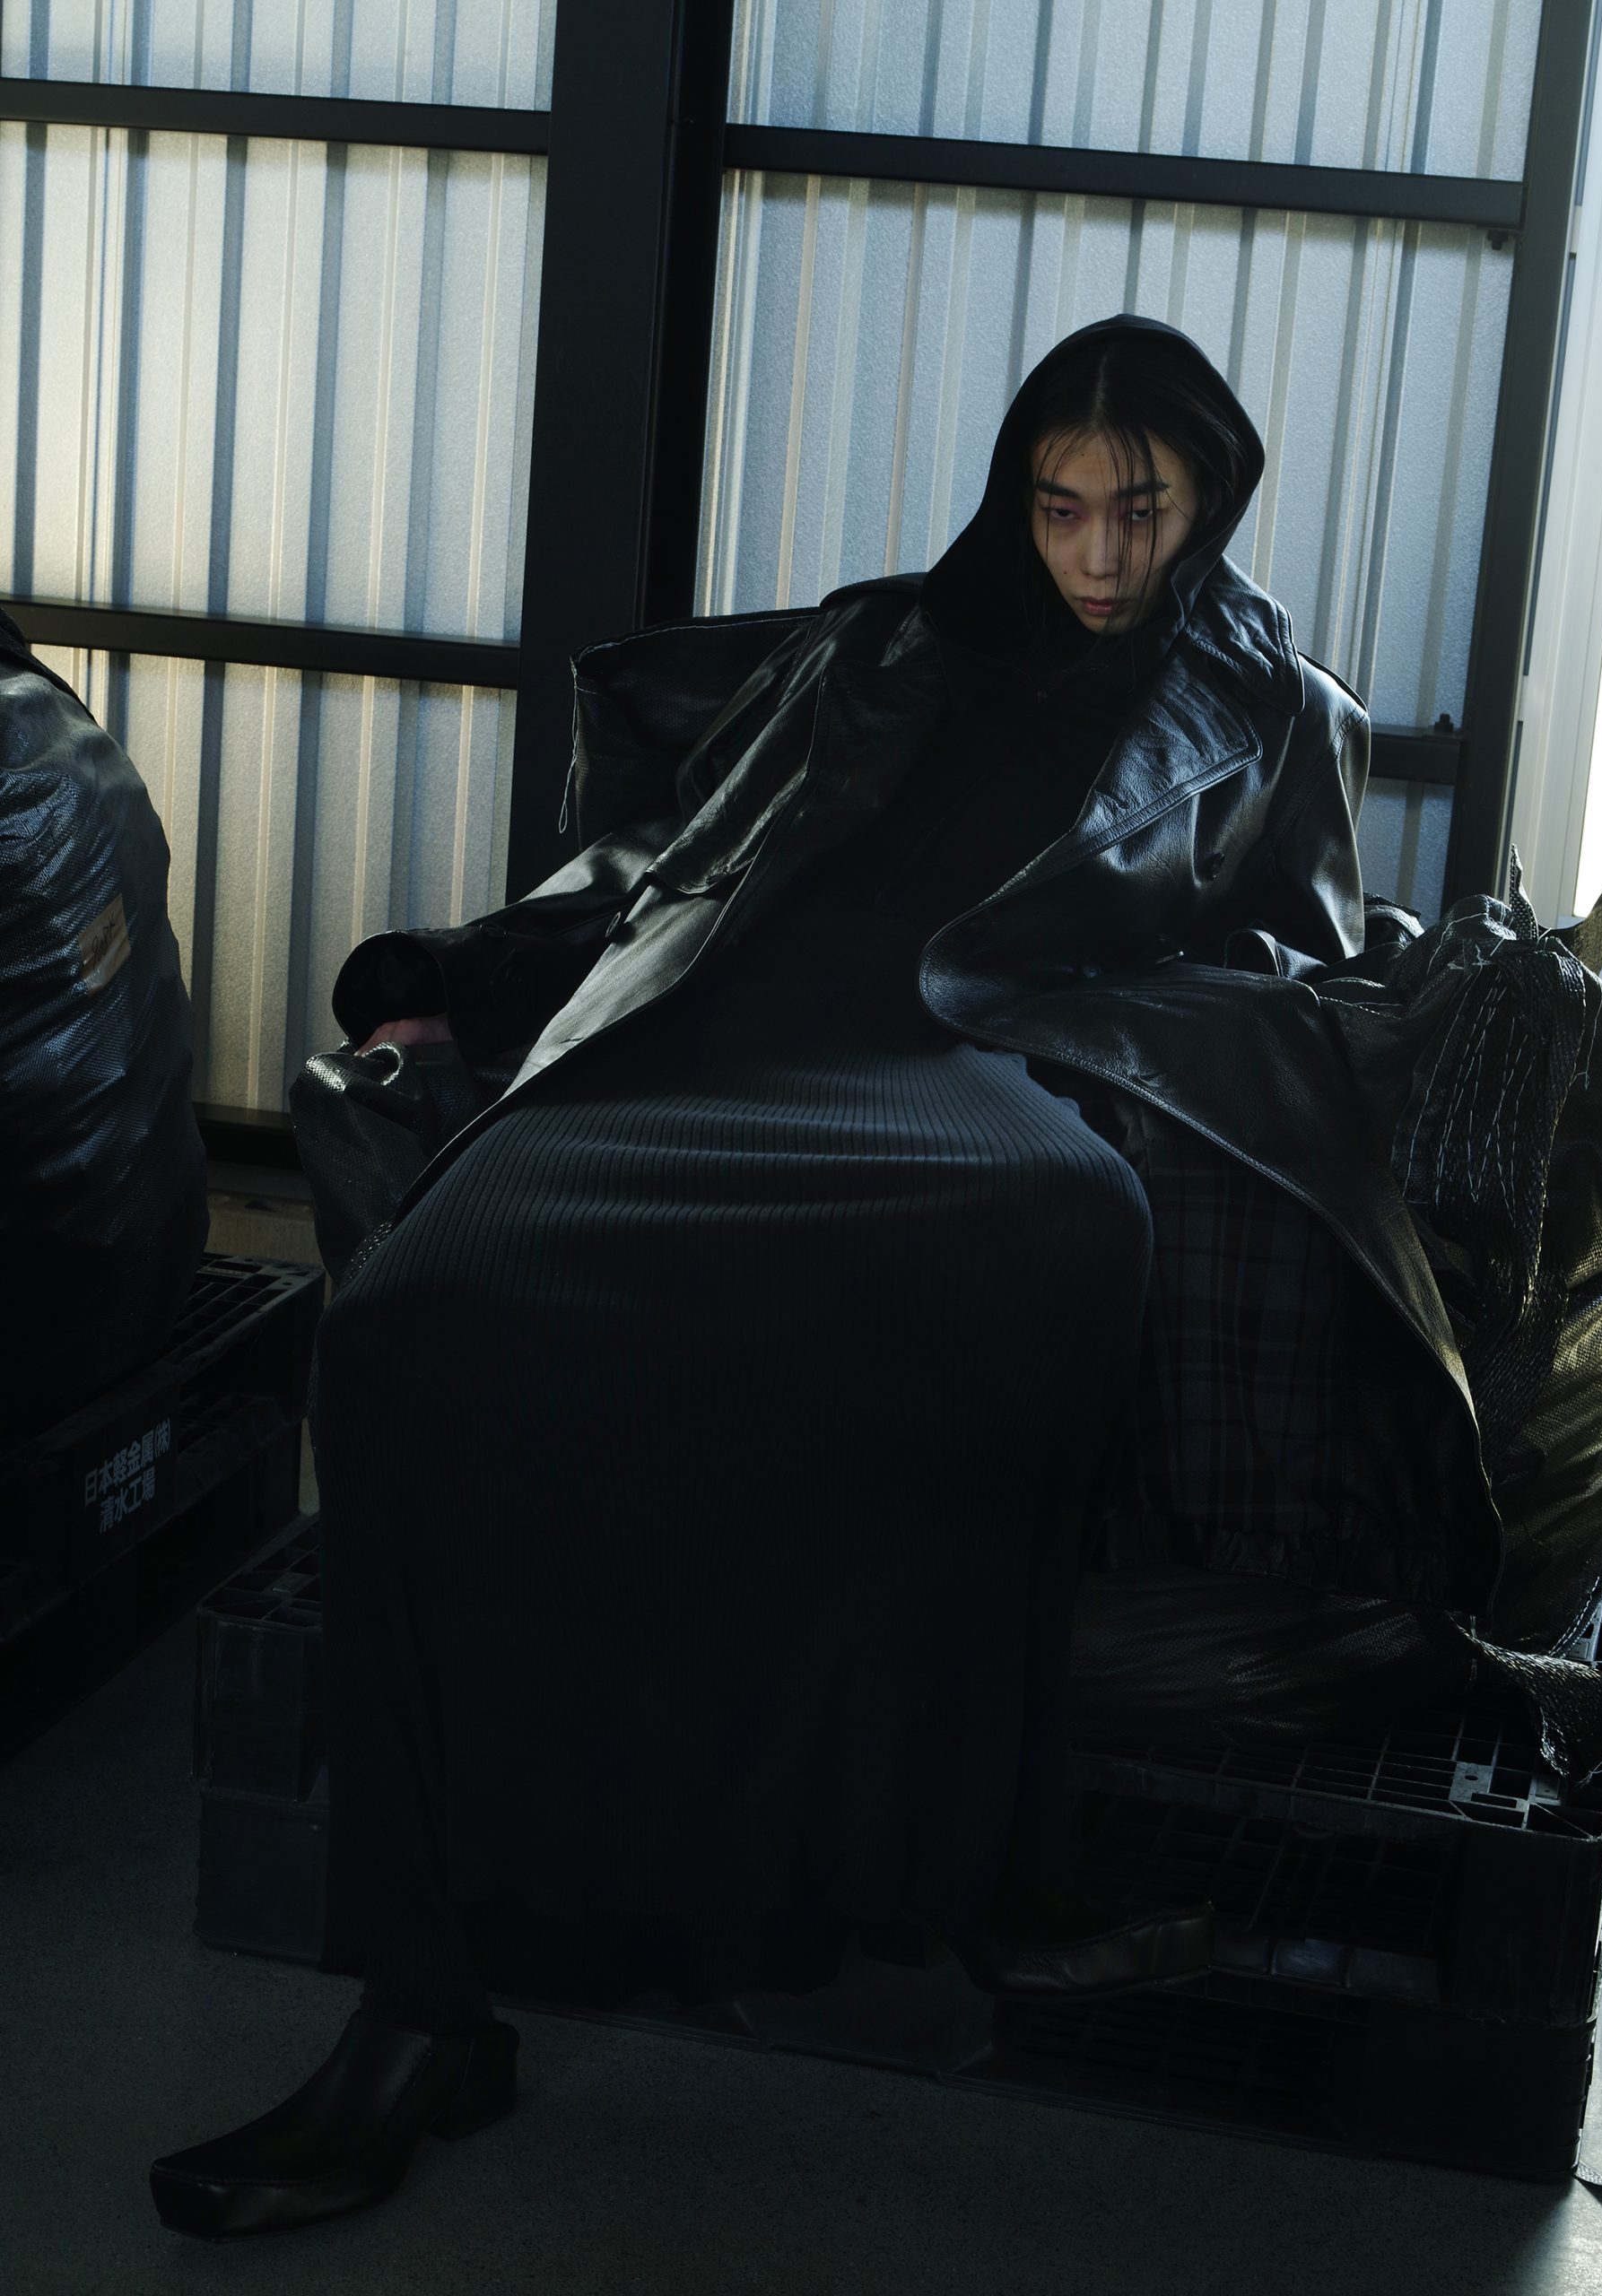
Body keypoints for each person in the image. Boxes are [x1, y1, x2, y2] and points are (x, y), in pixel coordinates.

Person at [149, 314, 1371, 2241]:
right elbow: (673, 865)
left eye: (1140, 507)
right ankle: (422, 2008)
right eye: (1062, 505)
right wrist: (454, 979)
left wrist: (1153, 1053)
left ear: (1211, 495)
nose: (1100, 551)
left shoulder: (1272, 709)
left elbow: (1303, 971)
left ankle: (963, 1870)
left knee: (1072, 1230)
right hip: (710, 1041)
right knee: (404, 1327)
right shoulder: (879, 641)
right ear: (1018, 495)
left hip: (971, 1074)